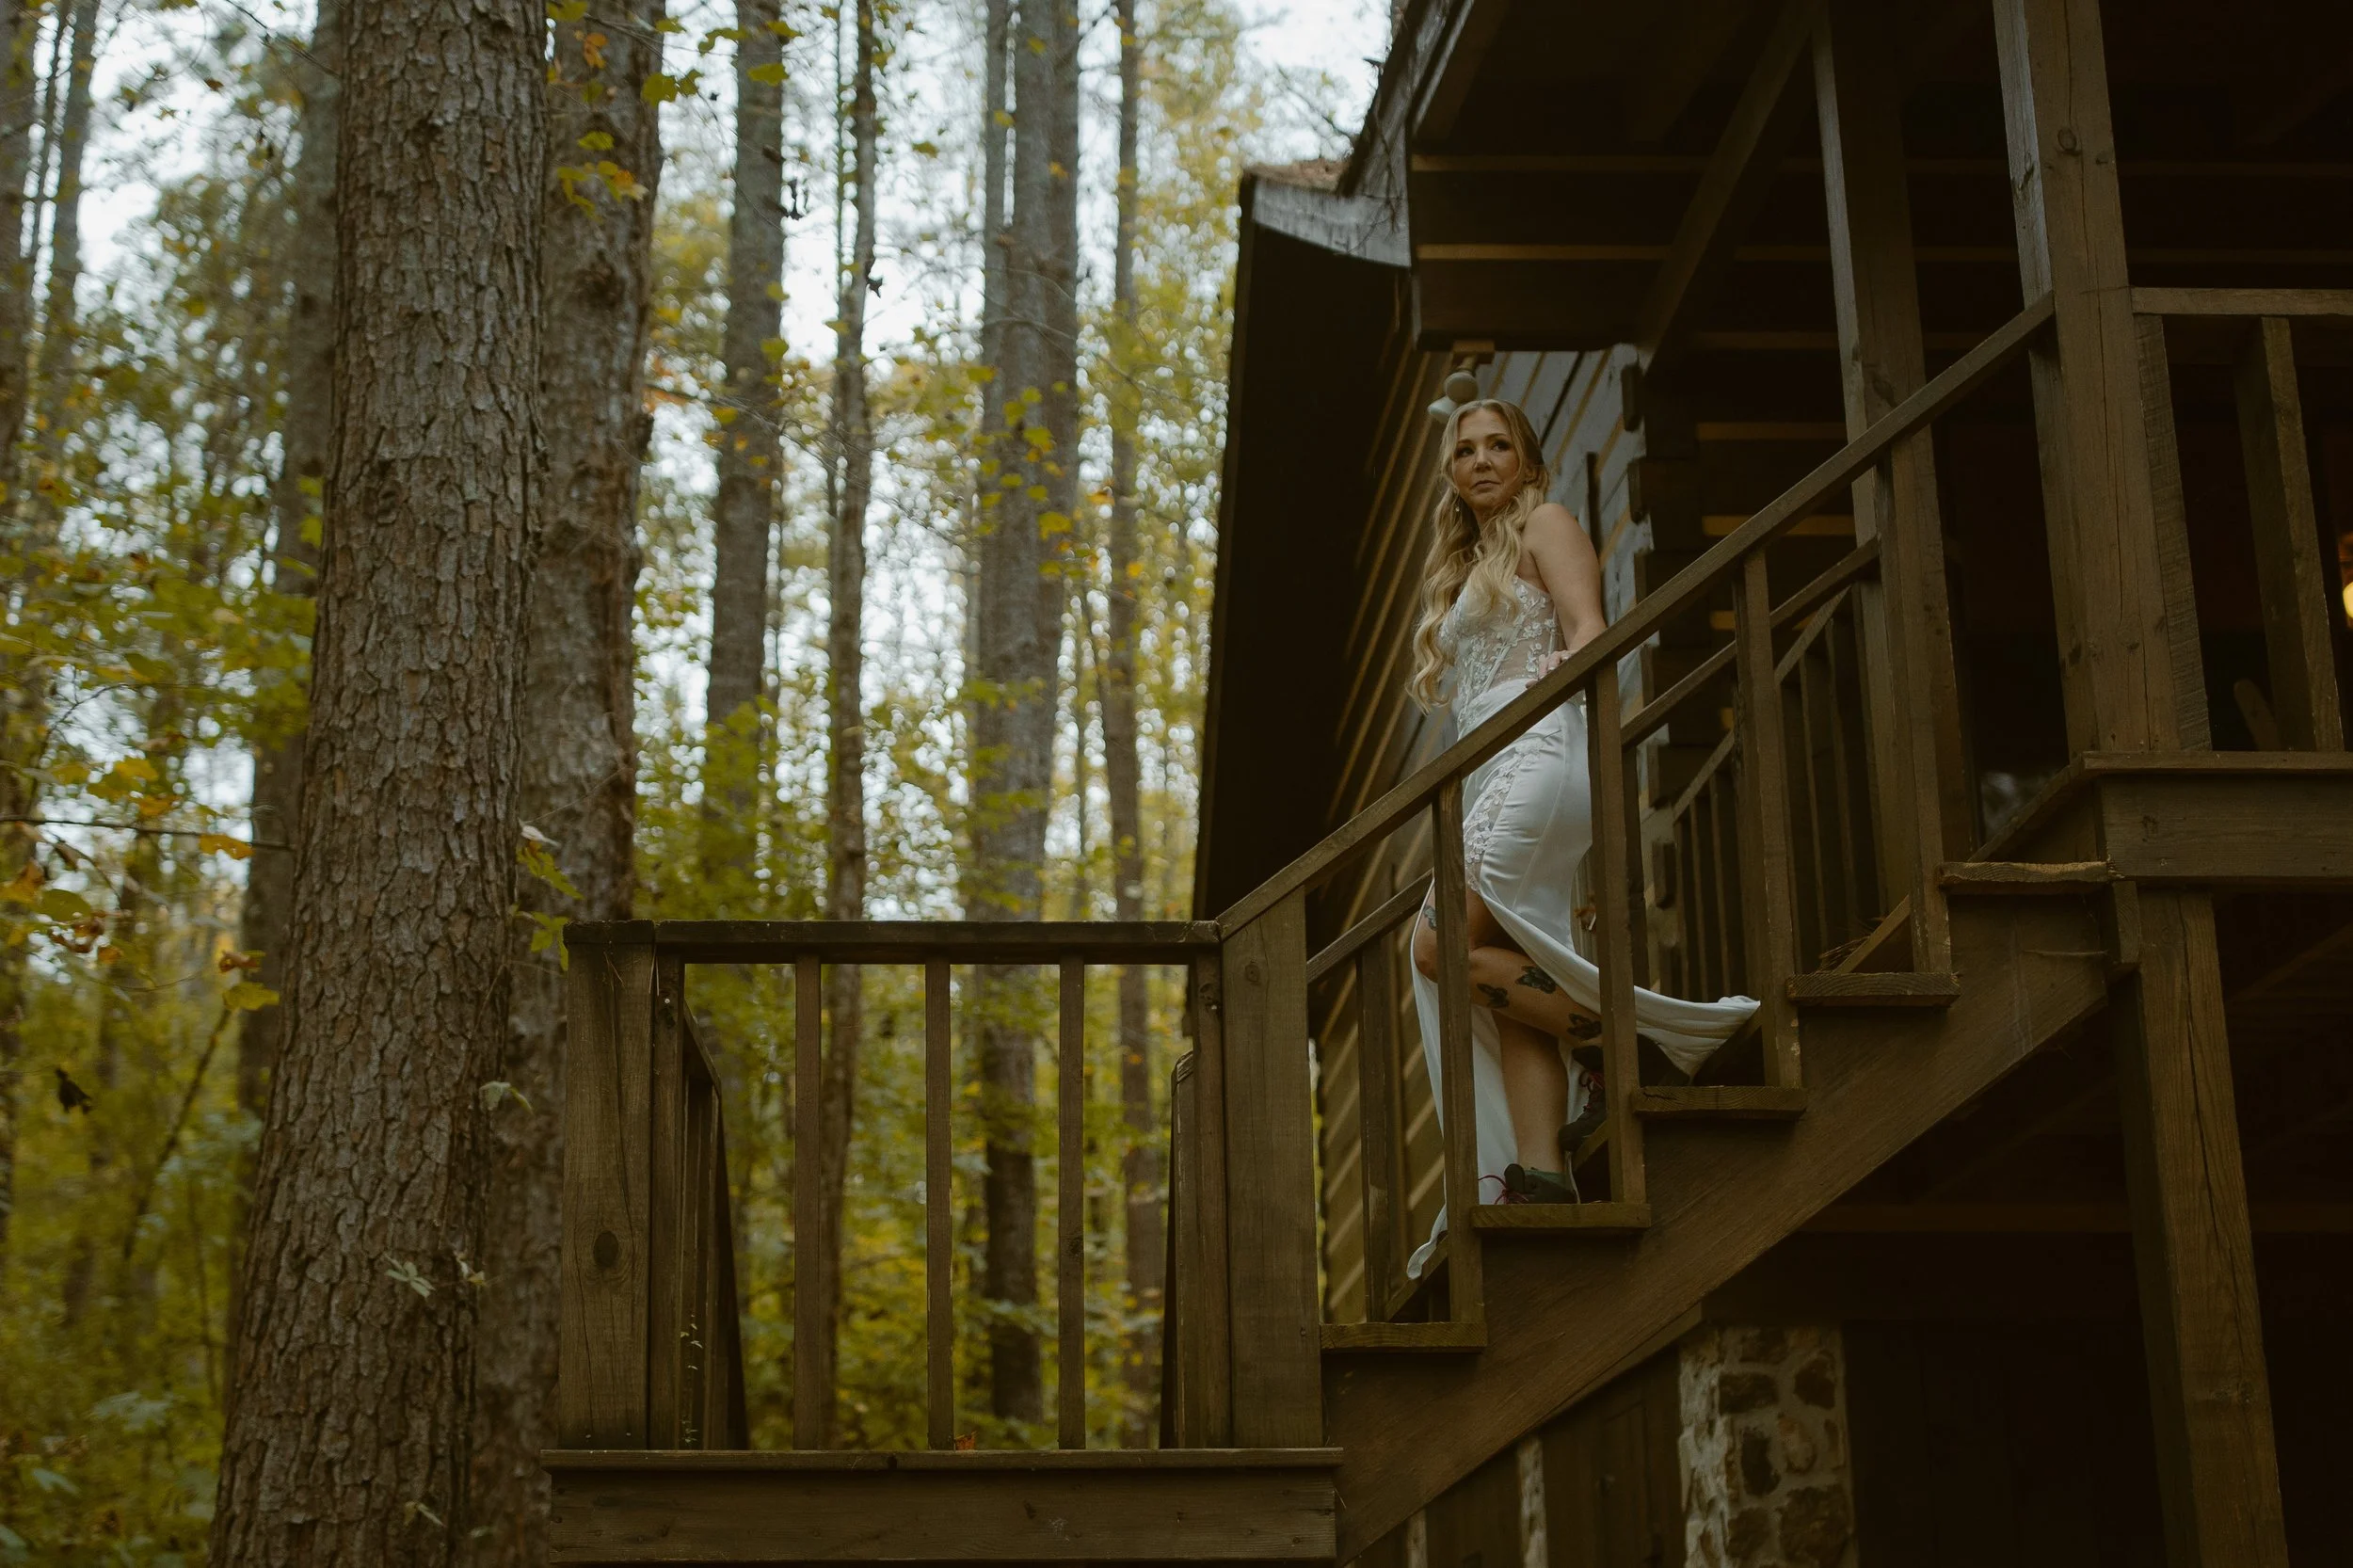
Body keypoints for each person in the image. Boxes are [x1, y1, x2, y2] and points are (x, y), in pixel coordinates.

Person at [1402, 397, 1757, 1274]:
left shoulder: (1548, 522)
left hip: (1535, 753)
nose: (1482, 461)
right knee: (1507, 960)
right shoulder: (1471, 562)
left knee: (1435, 949)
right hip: (1488, 773)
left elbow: (1591, 627)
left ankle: (1617, 1043)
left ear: (1527, 461)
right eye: (1465, 451)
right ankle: (1541, 1172)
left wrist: (1564, 673)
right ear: (1452, 474)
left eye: (1499, 446)